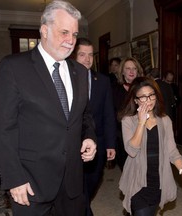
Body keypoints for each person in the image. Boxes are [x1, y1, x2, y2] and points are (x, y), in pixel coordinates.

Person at [0, 1, 97, 216]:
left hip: (72, 183)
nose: (70, 41)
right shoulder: (13, 67)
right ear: (44, 30)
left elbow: (84, 115)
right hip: (31, 183)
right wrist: (14, 178)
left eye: (74, 34)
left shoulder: (80, 72)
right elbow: (2, 128)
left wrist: (89, 137)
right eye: (64, 32)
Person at [118, 77, 182, 215]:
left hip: (159, 180)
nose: (148, 100)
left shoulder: (165, 120)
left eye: (151, 95)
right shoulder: (128, 120)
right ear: (135, 100)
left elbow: (172, 151)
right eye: (143, 97)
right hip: (137, 180)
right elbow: (131, 151)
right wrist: (141, 123)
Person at [72, 37, 116, 216]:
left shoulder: (103, 81)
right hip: (72, 143)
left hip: (98, 141)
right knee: (75, 183)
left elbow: (108, 114)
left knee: (93, 179)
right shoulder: (66, 79)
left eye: (90, 55)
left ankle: (82, 207)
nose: (87, 59)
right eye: (82, 54)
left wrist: (111, 144)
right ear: (74, 56)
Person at [112, 57, 144, 171]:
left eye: (134, 68)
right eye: (128, 68)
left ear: (138, 71)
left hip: (142, 133)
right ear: (122, 71)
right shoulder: (114, 90)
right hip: (122, 137)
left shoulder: (144, 88)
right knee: (127, 170)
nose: (131, 71)